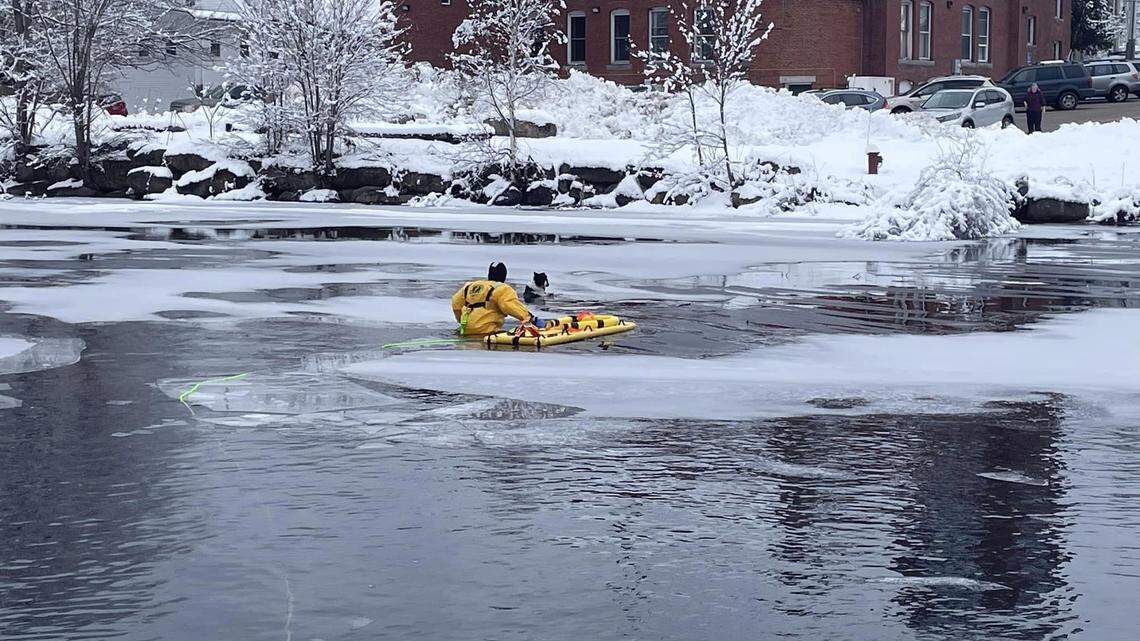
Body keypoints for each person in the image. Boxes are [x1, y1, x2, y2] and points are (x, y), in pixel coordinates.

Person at [451, 262, 545, 335]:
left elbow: (456, 303)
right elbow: (511, 306)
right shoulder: (502, 288)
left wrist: (464, 322)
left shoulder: (470, 286)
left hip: (465, 331)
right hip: (488, 332)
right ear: (504, 276)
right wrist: (531, 318)